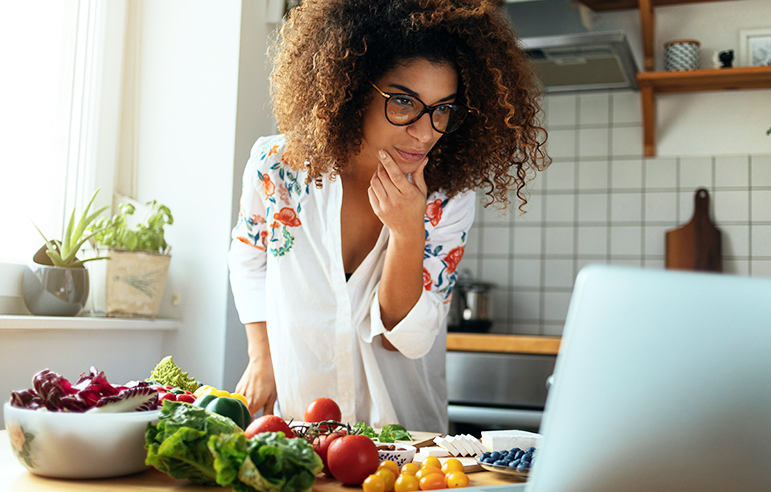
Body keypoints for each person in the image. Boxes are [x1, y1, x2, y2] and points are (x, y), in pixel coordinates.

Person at [228, 0, 549, 433]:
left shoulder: (447, 195)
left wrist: (408, 231)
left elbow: (408, 341)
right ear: (354, 87)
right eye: (403, 102)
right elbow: (249, 259)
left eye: (443, 109)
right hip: (299, 426)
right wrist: (261, 355)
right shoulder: (277, 166)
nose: (424, 131)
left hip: (407, 443)